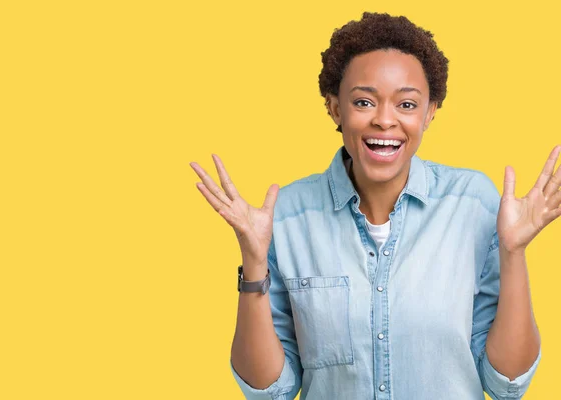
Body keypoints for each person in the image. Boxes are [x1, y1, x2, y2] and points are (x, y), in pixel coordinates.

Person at [189, 11, 560, 399]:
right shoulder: (286, 217)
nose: (385, 121)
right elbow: (269, 390)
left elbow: (507, 382)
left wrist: (514, 251)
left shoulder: (473, 204)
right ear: (335, 108)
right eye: (364, 102)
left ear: (430, 111)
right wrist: (253, 262)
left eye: (406, 105)